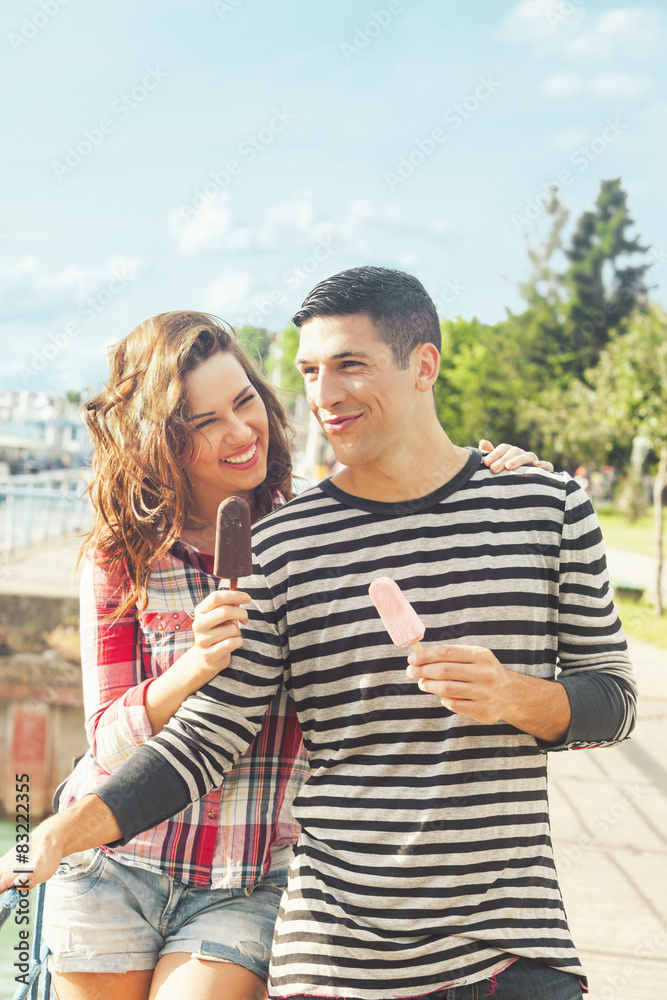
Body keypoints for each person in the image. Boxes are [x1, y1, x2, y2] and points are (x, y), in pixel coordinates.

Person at [1, 267, 634, 999]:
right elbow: (203, 740)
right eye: (309, 371)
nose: (324, 395)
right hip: (332, 954)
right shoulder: (283, 544)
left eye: (349, 365)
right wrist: (53, 834)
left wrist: (515, 696)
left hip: (507, 945)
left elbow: (613, 703)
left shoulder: (546, 507)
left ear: (424, 364)